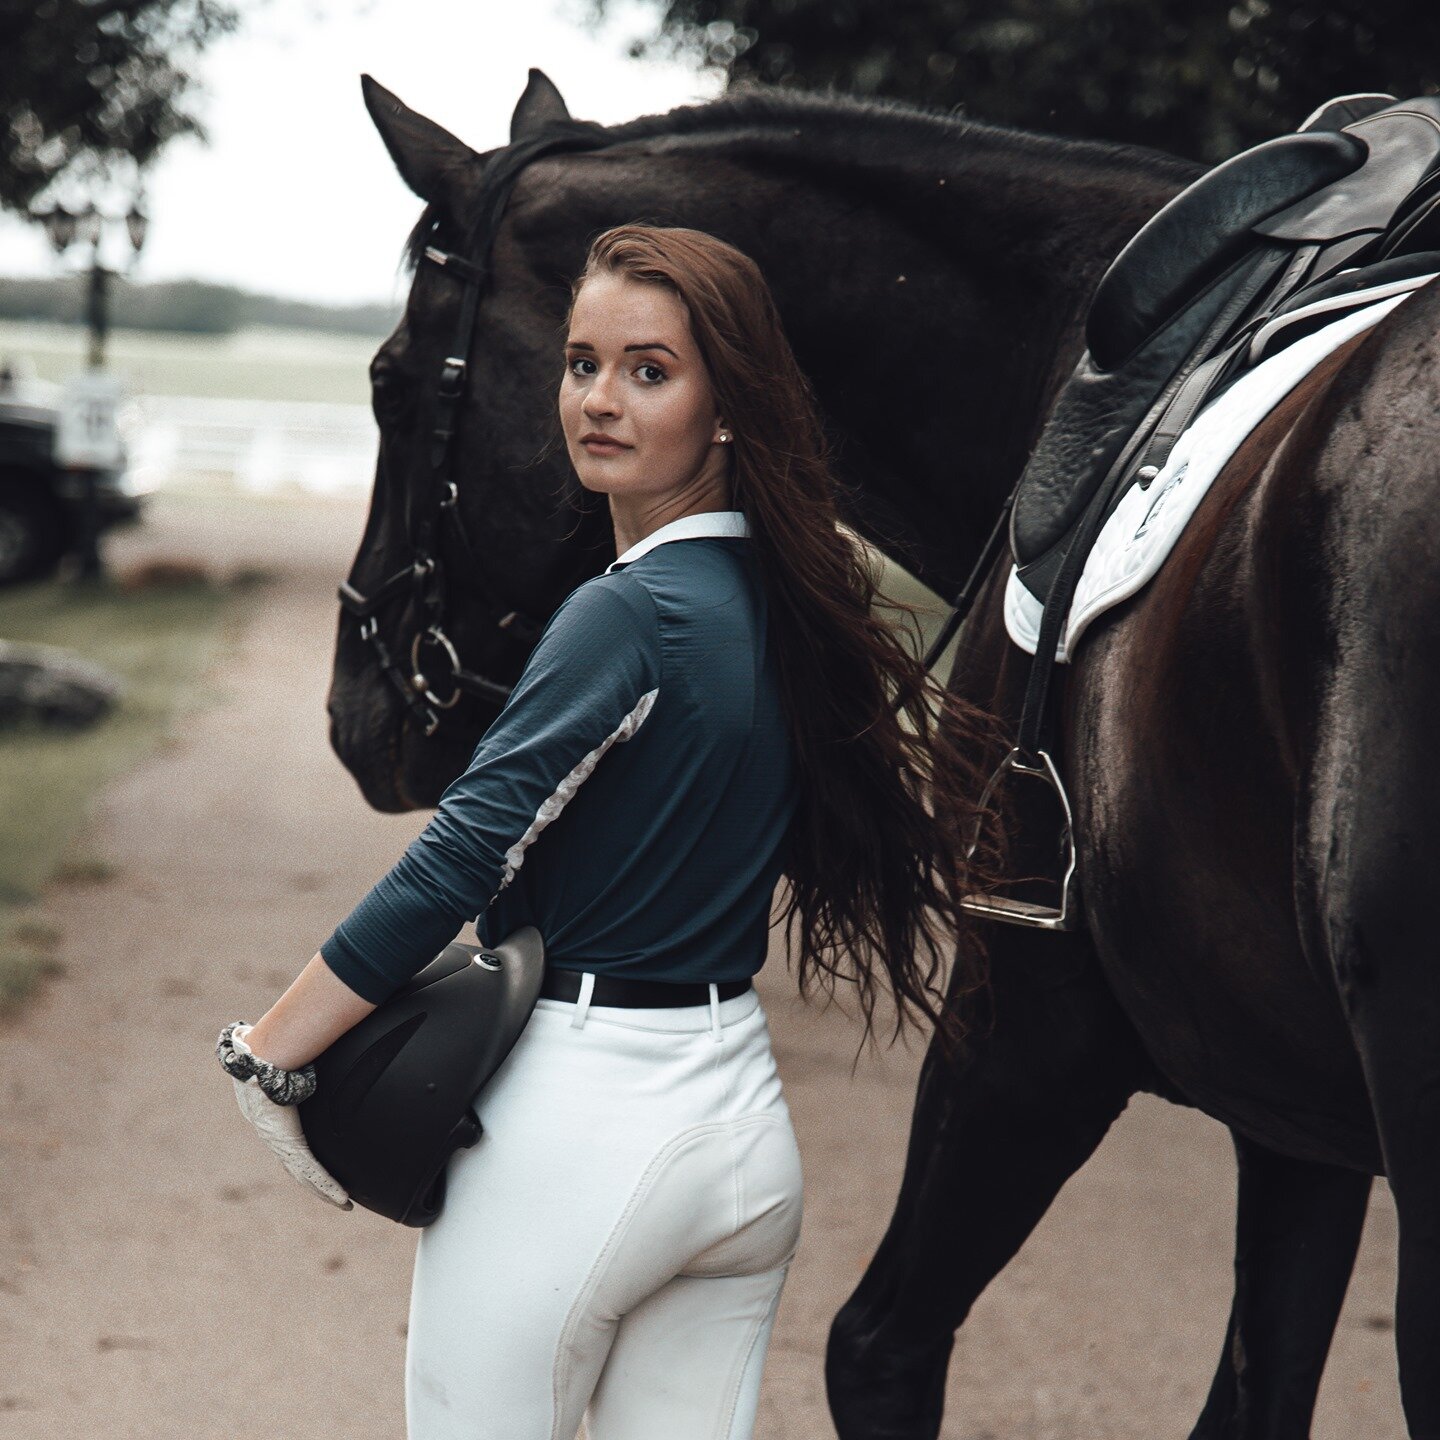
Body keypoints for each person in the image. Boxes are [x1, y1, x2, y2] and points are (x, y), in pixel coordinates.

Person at [215, 223, 995, 1439]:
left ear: (727, 403)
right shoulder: (783, 604)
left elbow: (464, 854)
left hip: (582, 1138)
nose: (600, 400)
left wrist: (275, 1053)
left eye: (650, 370)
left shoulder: (628, 616)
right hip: (738, 1131)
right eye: (583, 363)